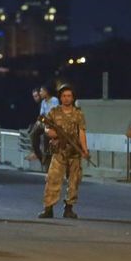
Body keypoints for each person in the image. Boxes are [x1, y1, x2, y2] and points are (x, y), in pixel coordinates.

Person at [38, 83, 89, 219]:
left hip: (74, 152)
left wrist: (85, 149)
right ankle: (48, 208)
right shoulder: (54, 112)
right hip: (59, 151)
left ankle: (69, 208)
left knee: (74, 181)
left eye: (69, 96)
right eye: (64, 96)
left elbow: (81, 132)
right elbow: (46, 128)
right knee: (53, 179)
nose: (66, 98)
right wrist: (52, 133)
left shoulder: (78, 114)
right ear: (60, 97)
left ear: (73, 98)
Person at [30, 85, 59, 170]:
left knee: (47, 139)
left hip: (52, 125)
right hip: (44, 123)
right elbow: (41, 115)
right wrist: (40, 122)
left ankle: (48, 162)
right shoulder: (43, 102)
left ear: (46, 92)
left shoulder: (54, 100)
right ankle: (40, 156)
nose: (40, 93)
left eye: (42, 91)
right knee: (33, 134)